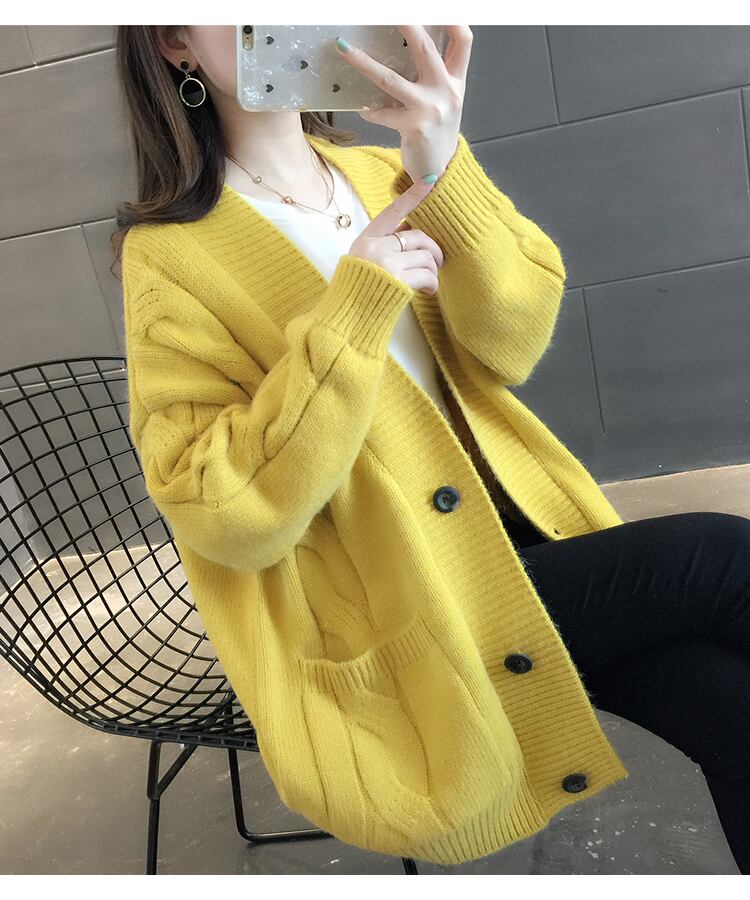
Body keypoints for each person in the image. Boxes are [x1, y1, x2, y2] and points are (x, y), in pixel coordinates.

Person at [113, 25, 750, 872]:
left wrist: (442, 160)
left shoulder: (388, 173)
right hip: (405, 590)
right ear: (175, 44)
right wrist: (354, 311)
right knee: (722, 558)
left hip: (520, 542)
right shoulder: (172, 255)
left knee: (730, 710)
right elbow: (220, 511)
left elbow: (512, 345)